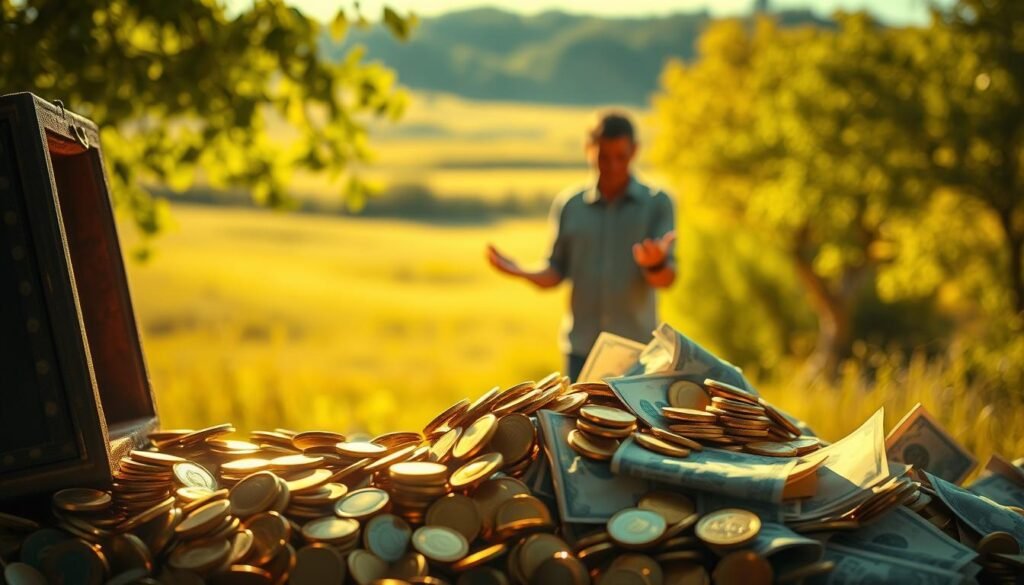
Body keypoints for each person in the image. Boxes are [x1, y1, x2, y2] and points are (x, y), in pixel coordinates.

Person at [487, 111, 676, 381]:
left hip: (638, 352)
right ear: (589, 149)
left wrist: (655, 263)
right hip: (581, 351)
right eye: (602, 157)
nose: (611, 166)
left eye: (620, 157)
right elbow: (556, 270)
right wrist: (521, 272)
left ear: (634, 151)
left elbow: (667, 278)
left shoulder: (657, 203)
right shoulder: (570, 205)